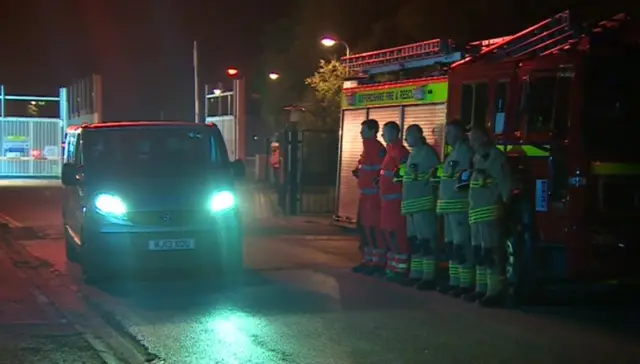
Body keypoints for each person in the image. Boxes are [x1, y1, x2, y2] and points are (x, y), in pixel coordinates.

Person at [463, 125, 512, 307]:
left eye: (474, 138)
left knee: (491, 253)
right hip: (476, 212)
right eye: (470, 139)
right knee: (480, 253)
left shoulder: (496, 157)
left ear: (484, 138)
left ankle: (495, 291)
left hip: (489, 211)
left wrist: (504, 207)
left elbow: (505, 183)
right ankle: (481, 289)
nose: (471, 142)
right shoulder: (476, 158)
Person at [435, 119, 475, 297]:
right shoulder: (454, 154)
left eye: (450, 133)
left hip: (459, 207)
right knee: (452, 246)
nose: (447, 137)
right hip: (449, 208)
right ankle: (455, 281)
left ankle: (465, 283)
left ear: (460, 133)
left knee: (461, 245)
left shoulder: (465, 153)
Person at [397, 124, 441, 288]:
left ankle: (428, 277)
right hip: (411, 206)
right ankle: (416, 274)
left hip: (423, 204)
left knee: (426, 241)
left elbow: (434, 177)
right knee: (414, 242)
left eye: (409, 135)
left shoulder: (427, 153)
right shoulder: (413, 154)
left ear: (418, 135)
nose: (406, 138)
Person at [351, 119, 387, 275]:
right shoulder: (367, 149)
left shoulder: (377, 149)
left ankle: (378, 263)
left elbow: (381, 173)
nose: (361, 133)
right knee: (365, 229)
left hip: (373, 198)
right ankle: (367, 260)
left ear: (373, 131)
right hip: (366, 196)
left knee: (374, 230)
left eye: (363, 130)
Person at [379, 121, 410, 282]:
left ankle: (401, 269)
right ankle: (392, 266)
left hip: (395, 203)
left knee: (396, 235)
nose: (382, 135)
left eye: (385, 132)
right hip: (386, 203)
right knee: (388, 234)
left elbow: (402, 175)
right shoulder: (389, 151)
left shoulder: (400, 153)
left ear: (394, 133)